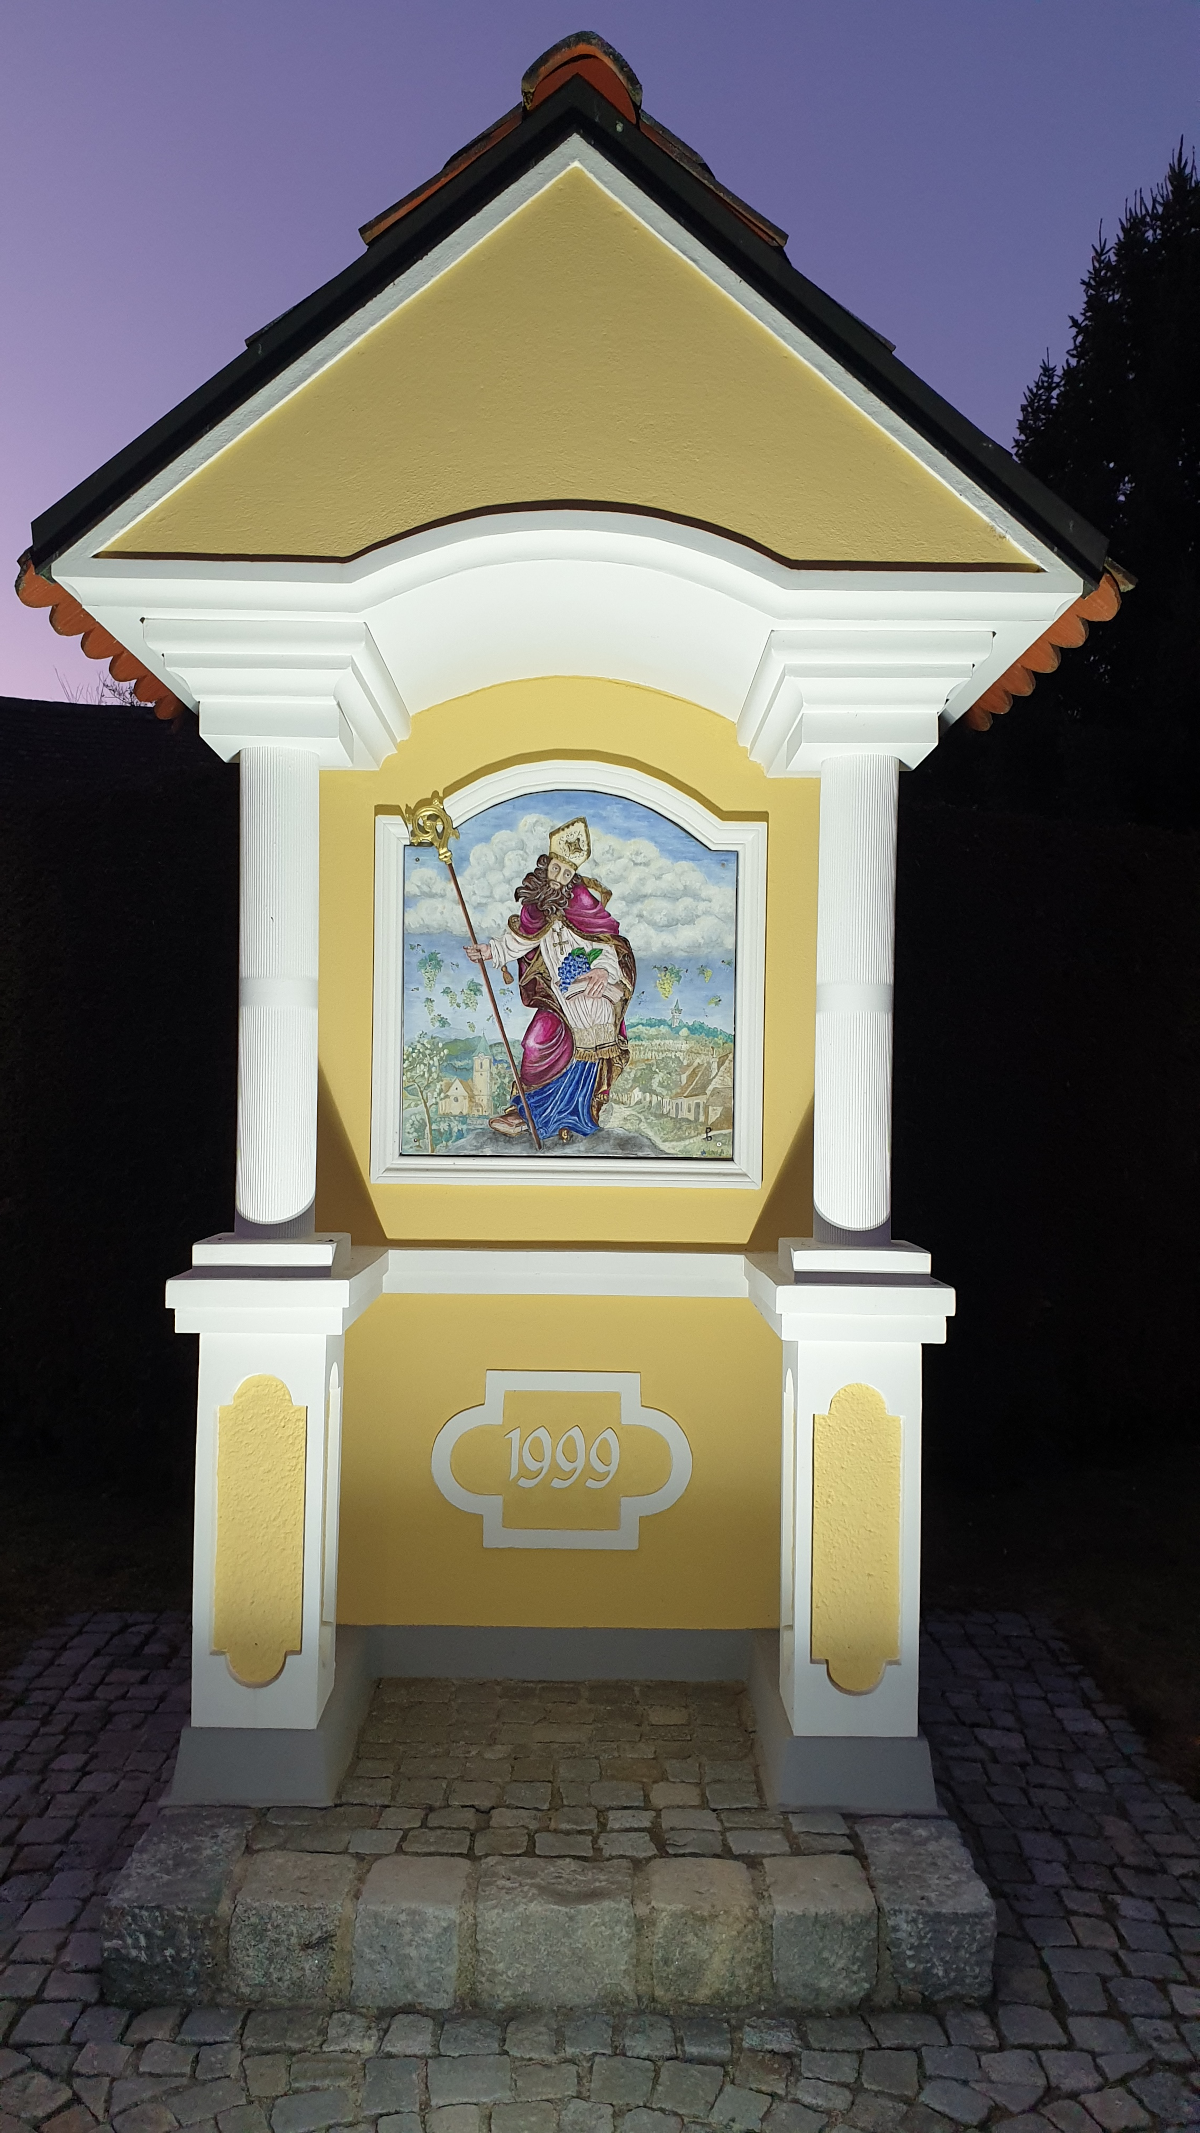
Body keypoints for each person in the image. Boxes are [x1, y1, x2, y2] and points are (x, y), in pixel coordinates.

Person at [466, 817, 635, 1142]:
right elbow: (520, 940)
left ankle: (573, 1118)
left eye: (567, 874)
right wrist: (490, 951)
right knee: (535, 1043)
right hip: (556, 996)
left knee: (587, 1048)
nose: (559, 878)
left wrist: (603, 971)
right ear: (547, 866)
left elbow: (607, 945)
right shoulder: (538, 907)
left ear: (574, 877)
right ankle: (525, 1113)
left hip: (590, 992)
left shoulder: (584, 906)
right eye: (556, 869)